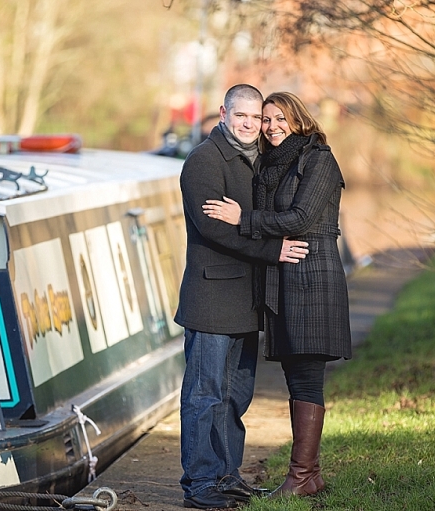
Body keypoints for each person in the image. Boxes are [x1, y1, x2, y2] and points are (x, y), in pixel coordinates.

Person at [203, 91, 352, 497]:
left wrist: (243, 218)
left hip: (312, 279)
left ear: (298, 118)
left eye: (278, 118)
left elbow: (301, 217)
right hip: (286, 281)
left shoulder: (317, 158)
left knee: (306, 379)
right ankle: (311, 475)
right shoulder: (273, 163)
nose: (270, 127)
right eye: (266, 120)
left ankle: (300, 477)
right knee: (297, 378)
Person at [174, 84, 311, 509]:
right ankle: (199, 483)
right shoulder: (204, 162)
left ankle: (226, 475)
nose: (251, 124)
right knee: (204, 395)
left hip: (247, 303)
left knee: (236, 397)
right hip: (212, 300)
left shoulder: (261, 161)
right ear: (223, 114)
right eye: (243, 116)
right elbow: (216, 229)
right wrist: (274, 250)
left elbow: (258, 219)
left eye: (257, 117)